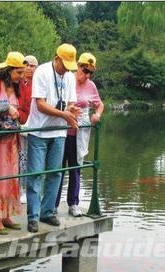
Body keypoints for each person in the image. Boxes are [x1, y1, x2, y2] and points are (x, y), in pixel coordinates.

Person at [25, 44, 79, 233]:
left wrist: (71, 111)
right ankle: (33, 216)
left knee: (56, 173)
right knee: (35, 174)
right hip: (39, 131)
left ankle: (48, 211)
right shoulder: (42, 72)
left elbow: (71, 101)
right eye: (64, 64)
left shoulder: (70, 76)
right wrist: (64, 114)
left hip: (59, 132)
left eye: (69, 66)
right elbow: (40, 104)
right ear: (56, 58)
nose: (65, 69)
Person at [0, 52, 30, 235]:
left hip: (12, 140)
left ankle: (7, 215)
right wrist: (6, 107)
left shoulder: (21, 86)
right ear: (9, 70)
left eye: (23, 72)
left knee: (11, 178)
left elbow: (25, 114)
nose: (22, 76)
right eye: (18, 72)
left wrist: (16, 113)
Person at [55, 52, 104, 217]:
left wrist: (97, 114)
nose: (87, 75)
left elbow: (99, 104)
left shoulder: (91, 86)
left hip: (79, 132)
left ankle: (73, 203)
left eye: (91, 72)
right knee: (58, 167)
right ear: (78, 66)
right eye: (85, 70)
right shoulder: (66, 78)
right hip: (61, 130)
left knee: (75, 167)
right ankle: (52, 204)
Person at [18, 55, 38, 204]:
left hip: (35, 126)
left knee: (34, 160)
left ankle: (33, 190)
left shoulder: (38, 83)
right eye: (28, 65)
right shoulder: (18, 83)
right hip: (20, 125)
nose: (30, 68)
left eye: (33, 66)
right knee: (22, 159)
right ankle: (21, 189)